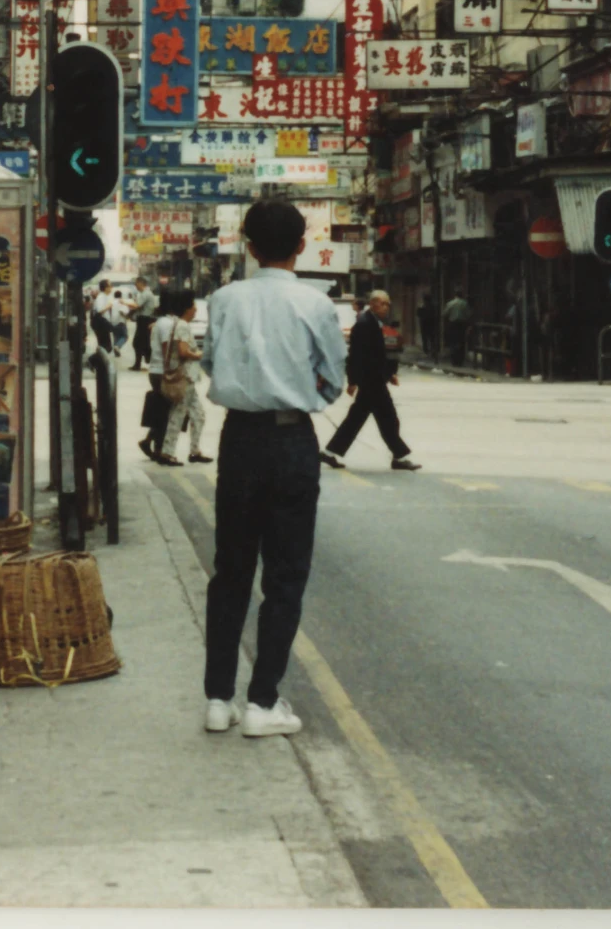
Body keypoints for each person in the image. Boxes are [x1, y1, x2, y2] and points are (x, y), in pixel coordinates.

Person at [198, 201, 347, 740]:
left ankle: (219, 699)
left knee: (231, 571)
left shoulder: (223, 299)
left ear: (248, 245)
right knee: (285, 575)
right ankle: (263, 702)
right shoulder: (315, 302)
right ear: (302, 246)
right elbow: (333, 378)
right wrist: (301, 393)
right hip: (291, 442)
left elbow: (211, 362)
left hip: (238, 438)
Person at [323, 290, 420, 471]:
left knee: (359, 419)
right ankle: (399, 456)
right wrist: (352, 381)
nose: (387, 307)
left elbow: (379, 355)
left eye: (388, 304)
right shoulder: (364, 324)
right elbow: (356, 356)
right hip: (370, 381)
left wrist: (389, 373)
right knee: (388, 419)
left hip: (374, 380)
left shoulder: (374, 323)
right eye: (384, 304)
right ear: (374, 304)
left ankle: (330, 452)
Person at [148, 288, 210, 466]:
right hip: (184, 378)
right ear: (186, 308)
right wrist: (199, 355)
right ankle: (167, 453)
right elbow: (182, 351)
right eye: (193, 306)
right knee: (178, 414)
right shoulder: (182, 325)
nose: (196, 309)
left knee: (198, 415)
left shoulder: (180, 324)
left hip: (188, 378)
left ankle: (194, 450)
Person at [130, 283, 161, 371]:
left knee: (138, 343)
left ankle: (145, 360)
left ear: (141, 284)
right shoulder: (145, 294)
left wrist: (124, 302)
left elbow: (137, 305)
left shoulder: (146, 294)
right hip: (143, 320)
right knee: (142, 343)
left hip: (144, 320)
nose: (136, 287)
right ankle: (143, 361)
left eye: (137, 284)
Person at [443, 288, 470, 367]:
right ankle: (460, 361)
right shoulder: (465, 303)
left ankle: (454, 361)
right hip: (462, 324)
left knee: (453, 342)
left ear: (455, 295)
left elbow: (445, 314)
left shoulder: (450, 303)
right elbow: (468, 314)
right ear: (462, 295)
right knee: (461, 342)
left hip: (453, 324)